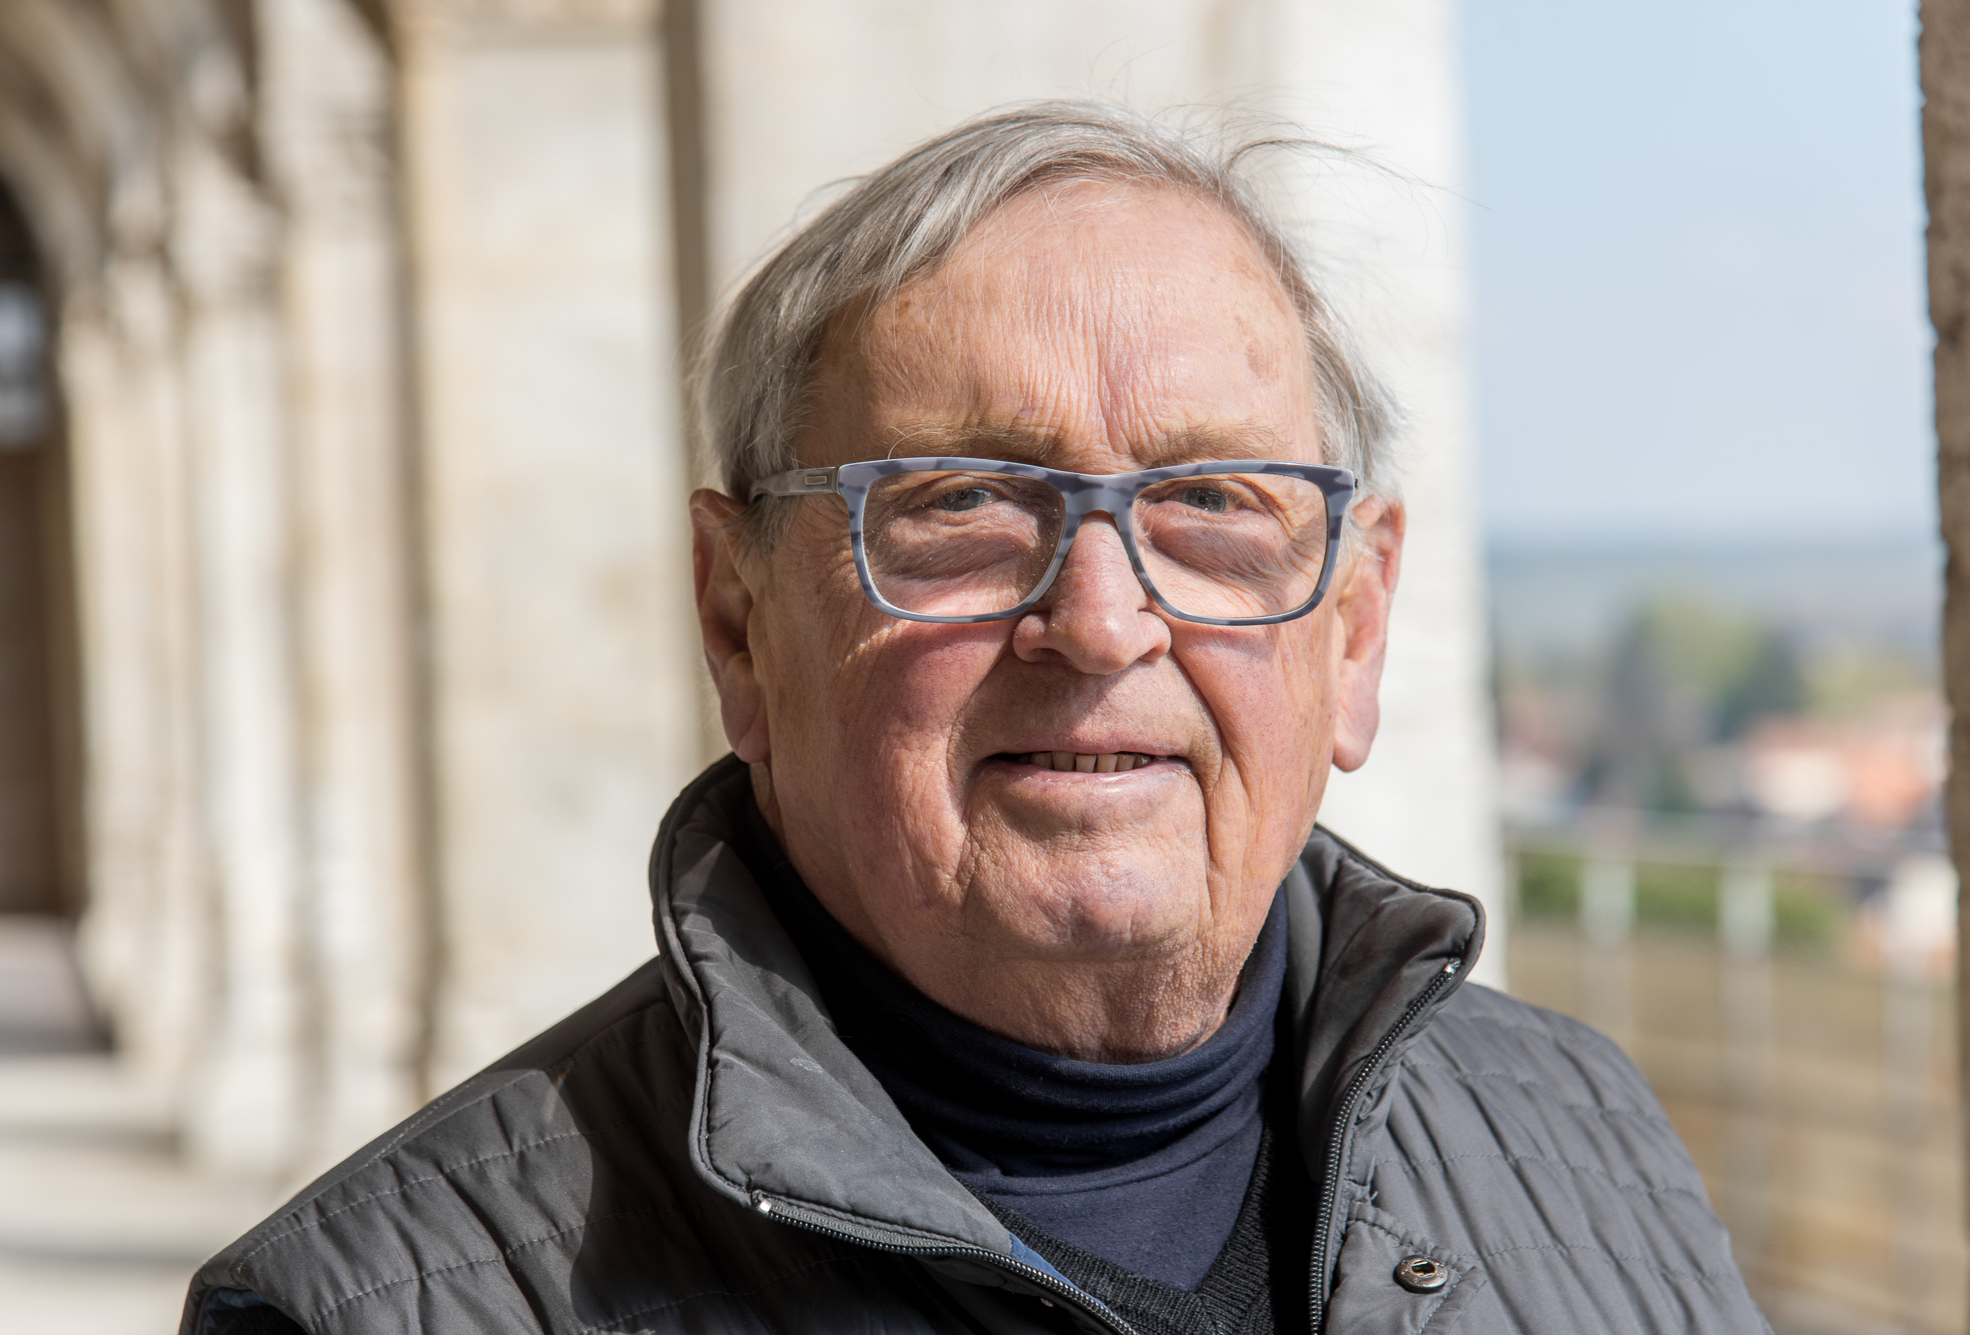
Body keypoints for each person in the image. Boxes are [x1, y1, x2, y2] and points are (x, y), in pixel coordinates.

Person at [183, 102, 1766, 1335]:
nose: (1100, 619)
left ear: (1353, 632)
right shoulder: (380, 1305)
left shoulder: (1580, 1133)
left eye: (1213, 501)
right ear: (740, 621)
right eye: (960, 509)